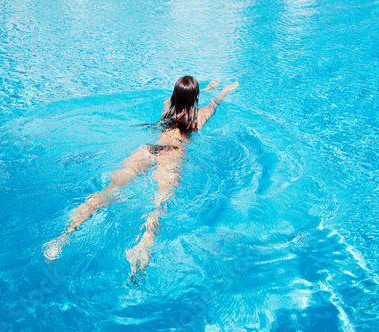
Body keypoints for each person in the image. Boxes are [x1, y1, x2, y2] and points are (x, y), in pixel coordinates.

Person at [43, 76, 239, 277]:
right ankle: (142, 247)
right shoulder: (198, 117)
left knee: (108, 191)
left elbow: (182, 100)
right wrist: (223, 89)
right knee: (159, 206)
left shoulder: (167, 105)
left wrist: (206, 87)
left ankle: (62, 236)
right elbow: (215, 102)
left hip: (148, 150)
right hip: (172, 155)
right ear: (195, 98)